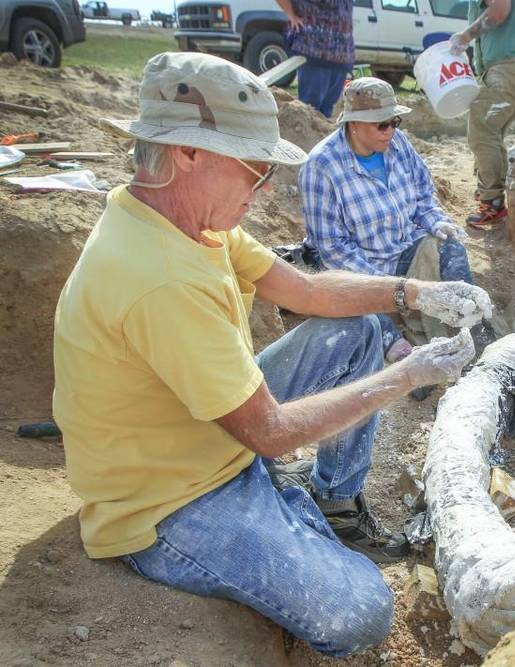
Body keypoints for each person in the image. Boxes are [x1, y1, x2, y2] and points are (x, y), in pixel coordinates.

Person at [53, 52, 492, 657]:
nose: (262, 189)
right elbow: (270, 430)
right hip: (167, 500)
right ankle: (280, 508)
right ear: (189, 153)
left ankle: (326, 501)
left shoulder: (185, 221)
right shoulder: (161, 279)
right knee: (363, 612)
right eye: (255, 168)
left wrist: (415, 291)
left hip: (200, 431)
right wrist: (407, 375)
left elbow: (305, 289)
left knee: (357, 330)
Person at [300, 77, 481, 362]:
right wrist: (385, 286)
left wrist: (435, 220)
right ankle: (398, 346)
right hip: (359, 266)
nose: (390, 131)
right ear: (354, 124)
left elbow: (423, 192)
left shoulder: (397, 144)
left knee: (449, 248)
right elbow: (332, 247)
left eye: (394, 122)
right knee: (368, 316)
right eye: (382, 124)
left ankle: (471, 328)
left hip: (402, 248)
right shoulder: (321, 166)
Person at [449, 0, 515, 230]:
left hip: (508, 68)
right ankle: (491, 191)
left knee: (483, 131)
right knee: (493, 132)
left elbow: (500, 9)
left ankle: (491, 202)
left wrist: (464, 37)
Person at [274, 0, 353, 118]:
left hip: (341, 55)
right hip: (314, 51)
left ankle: (320, 136)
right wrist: (291, 16)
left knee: (327, 109)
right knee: (309, 107)